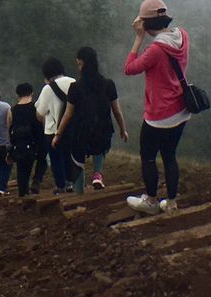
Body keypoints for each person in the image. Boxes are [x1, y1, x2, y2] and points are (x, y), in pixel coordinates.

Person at [124, 0, 192, 215]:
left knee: (148, 156)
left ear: (145, 23)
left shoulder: (155, 50)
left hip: (159, 114)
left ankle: (151, 201)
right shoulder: (183, 36)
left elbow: (130, 68)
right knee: (170, 156)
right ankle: (171, 203)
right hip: (181, 109)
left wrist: (138, 37)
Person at [52, 47, 128, 195]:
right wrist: (122, 129)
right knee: (100, 147)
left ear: (82, 62)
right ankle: (97, 174)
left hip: (80, 131)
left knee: (77, 159)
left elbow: (68, 114)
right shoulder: (108, 84)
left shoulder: (75, 87)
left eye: (78, 64)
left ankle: (79, 192)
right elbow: (117, 111)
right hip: (103, 129)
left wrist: (58, 134)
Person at [34, 57, 75, 195]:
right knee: (70, 156)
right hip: (72, 128)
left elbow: (39, 114)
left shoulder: (48, 88)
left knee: (56, 159)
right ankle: (71, 183)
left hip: (53, 130)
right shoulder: (74, 82)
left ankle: (60, 185)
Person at [8, 83, 43, 198]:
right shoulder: (36, 108)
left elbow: (9, 128)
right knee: (42, 160)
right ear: (32, 93)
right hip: (35, 144)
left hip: (18, 145)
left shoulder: (12, 110)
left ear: (17, 95)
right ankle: (37, 180)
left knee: (22, 170)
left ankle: (23, 194)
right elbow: (41, 124)